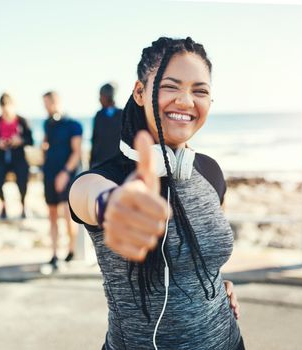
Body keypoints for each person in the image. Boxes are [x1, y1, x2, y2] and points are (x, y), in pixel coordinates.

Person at [69, 37, 244, 350]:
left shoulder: (210, 171)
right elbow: (88, 197)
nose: (186, 101)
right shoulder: (104, 179)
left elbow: (203, 254)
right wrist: (114, 207)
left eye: (199, 90)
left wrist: (215, 282)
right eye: (171, 86)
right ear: (140, 92)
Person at [42, 91, 83, 269]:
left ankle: (70, 252)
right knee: (52, 215)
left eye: (47, 103)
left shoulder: (73, 125)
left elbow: (77, 152)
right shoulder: (47, 123)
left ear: (56, 101)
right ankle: (54, 254)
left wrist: (65, 173)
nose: (46, 107)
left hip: (67, 175)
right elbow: (46, 144)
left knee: (68, 216)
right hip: (49, 173)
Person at [0, 93, 33, 219]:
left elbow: (30, 140)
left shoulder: (22, 121)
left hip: (18, 156)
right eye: (3, 111)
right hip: (2, 156)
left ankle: (23, 206)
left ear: (13, 106)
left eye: (8, 110)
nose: (6, 114)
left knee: (23, 179)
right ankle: (3, 204)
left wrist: (20, 140)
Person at [89, 83, 123, 168]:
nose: (99, 99)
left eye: (101, 96)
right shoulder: (99, 115)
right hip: (99, 163)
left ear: (107, 96)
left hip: (117, 163)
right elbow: (94, 140)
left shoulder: (122, 114)